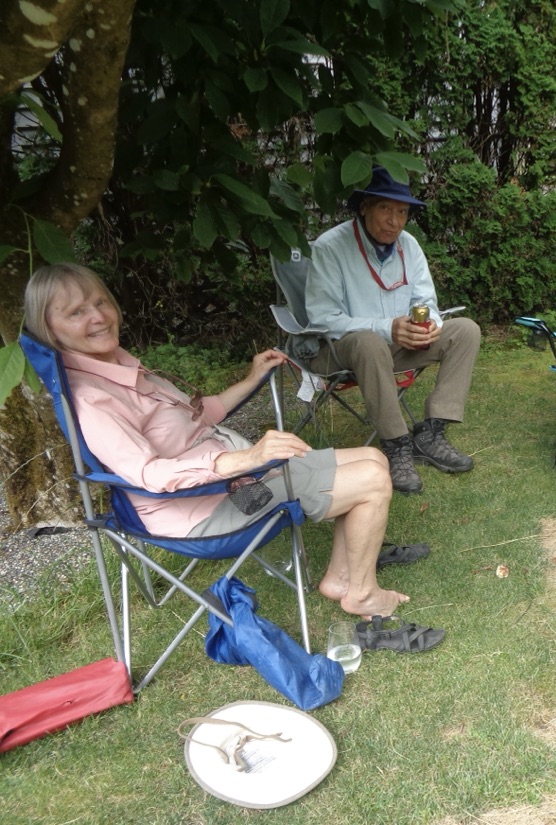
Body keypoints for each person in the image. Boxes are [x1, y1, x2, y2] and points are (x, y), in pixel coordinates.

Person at [24, 263, 427, 621]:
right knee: (371, 482)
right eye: (76, 312)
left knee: (374, 458)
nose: (97, 317)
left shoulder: (124, 367)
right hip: (202, 510)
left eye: (100, 302)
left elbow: (198, 417)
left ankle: (342, 579)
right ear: (49, 327)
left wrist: (252, 379)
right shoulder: (93, 397)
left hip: (238, 479)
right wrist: (241, 460)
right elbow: (147, 473)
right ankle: (362, 593)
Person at [306, 166, 482, 494]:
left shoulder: (409, 245)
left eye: (402, 212)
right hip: (338, 350)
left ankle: (431, 432)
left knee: (466, 330)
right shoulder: (330, 247)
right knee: (370, 342)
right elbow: (322, 317)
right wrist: (386, 328)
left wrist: (428, 327)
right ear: (364, 207)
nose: (395, 221)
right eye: (386, 209)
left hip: (397, 347)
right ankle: (396, 445)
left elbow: (425, 302)